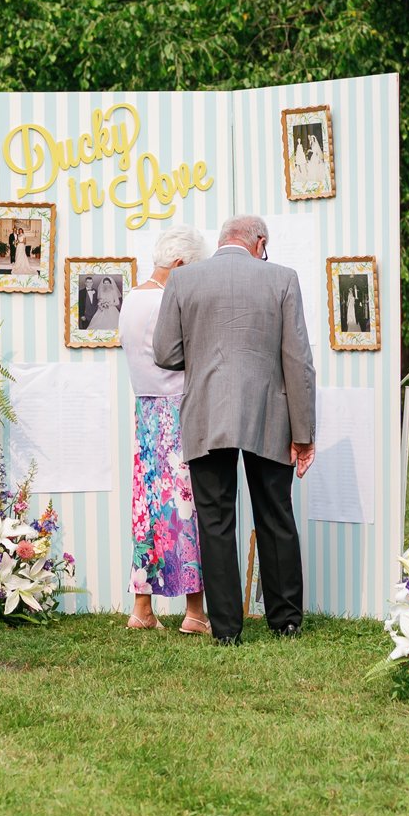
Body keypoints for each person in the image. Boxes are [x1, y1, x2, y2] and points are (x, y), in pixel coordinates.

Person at [153, 214, 318, 644]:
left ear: (224, 239)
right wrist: (303, 434)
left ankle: (226, 629)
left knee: (215, 520)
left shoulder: (184, 280)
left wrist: (205, 355)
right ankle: (286, 620)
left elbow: (165, 353)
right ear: (258, 242)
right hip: (269, 414)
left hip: (206, 414)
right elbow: (298, 361)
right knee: (275, 514)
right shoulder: (282, 279)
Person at [118, 225, 210, 633]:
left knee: (148, 508)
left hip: (145, 411)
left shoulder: (131, 299)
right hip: (177, 412)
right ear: (179, 264)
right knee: (188, 509)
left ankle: (142, 607)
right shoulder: (168, 301)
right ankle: (195, 612)